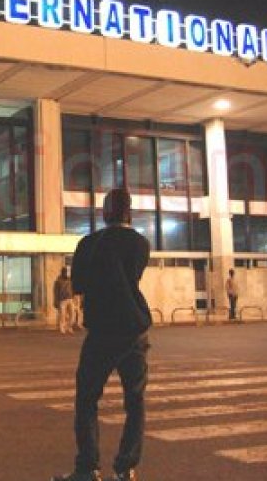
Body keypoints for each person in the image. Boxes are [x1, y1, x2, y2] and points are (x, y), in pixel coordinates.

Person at [54, 188, 152, 481]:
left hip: (102, 332)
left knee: (86, 399)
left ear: (104, 212)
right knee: (134, 402)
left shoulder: (89, 243)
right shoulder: (140, 244)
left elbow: (79, 285)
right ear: (129, 212)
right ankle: (126, 468)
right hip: (134, 330)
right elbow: (133, 276)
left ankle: (88, 468)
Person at [54, 266, 76, 334]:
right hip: (62, 300)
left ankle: (69, 327)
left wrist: (74, 298)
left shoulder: (71, 280)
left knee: (72, 315)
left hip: (70, 299)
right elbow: (56, 292)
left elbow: (73, 289)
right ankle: (62, 328)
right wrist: (56, 301)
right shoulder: (58, 281)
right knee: (62, 315)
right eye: (66, 272)